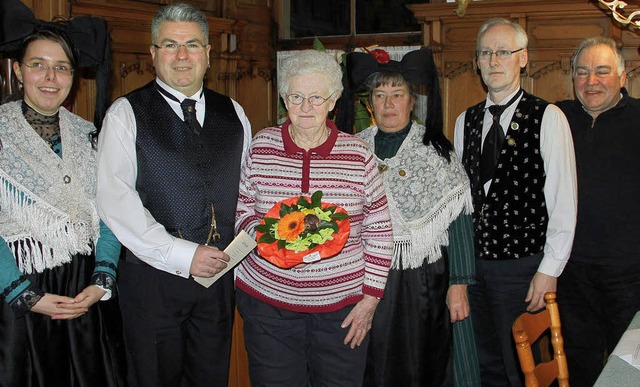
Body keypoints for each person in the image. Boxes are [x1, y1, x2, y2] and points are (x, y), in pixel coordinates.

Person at [96, 3, 252, 387]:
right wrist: (183, 255)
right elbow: (116, 201)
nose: (182, 56)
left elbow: (249, 190)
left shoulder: (234, 112)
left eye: (193, 45)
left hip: (218, 281)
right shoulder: (125, 113)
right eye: (170, 45)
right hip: (152, 281)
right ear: (152, 54)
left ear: (208, 53)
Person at [234, 49, 393, 387]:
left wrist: (370, 299)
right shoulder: (262, 146)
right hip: (269, 305)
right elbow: (242, 206)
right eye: (296, 96)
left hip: (342, 309)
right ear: (284, 99)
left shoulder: (357, 154)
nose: (306, 108)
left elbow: (379, 231)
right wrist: (265, 236)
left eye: (316, 97)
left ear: (333, 100)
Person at [337, 48, 480, 387]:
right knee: (368, 359)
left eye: (397, 95)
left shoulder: (436, 150)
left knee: (419, 362)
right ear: (368, 104)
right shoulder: (352, 148)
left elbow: (459, 218)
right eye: (380, 96)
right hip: (364, 277)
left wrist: (459, 284)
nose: (388, 105)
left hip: (421, 282)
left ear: (412, 101)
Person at [453, 18, 577, 386]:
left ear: (522, 58)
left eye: (503, 52)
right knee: (485, 363)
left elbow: (563, 201)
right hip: (476, 267)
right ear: (476, 62)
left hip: (523, 267)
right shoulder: (465, 121)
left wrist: (549, 269)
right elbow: (463, 202)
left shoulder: (549, 117)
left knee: (523, 368)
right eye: (486, 53)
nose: (494, 61)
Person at [0, 26, 124, 387]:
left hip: (85, 291)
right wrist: (23, 294)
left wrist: (103, 277)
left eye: (63, 67)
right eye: (38, 65)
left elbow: (109, 213)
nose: (51, 77)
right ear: (19, 70)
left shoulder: (89, 134)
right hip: (19, 289)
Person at [555, 36, 640, 386]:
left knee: (629, 371)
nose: (592, 81)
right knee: (579, 369)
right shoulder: (555, 119)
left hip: (631, 276)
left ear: (623, 76)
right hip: (571, 274)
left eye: (602, 71)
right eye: (583, 72)